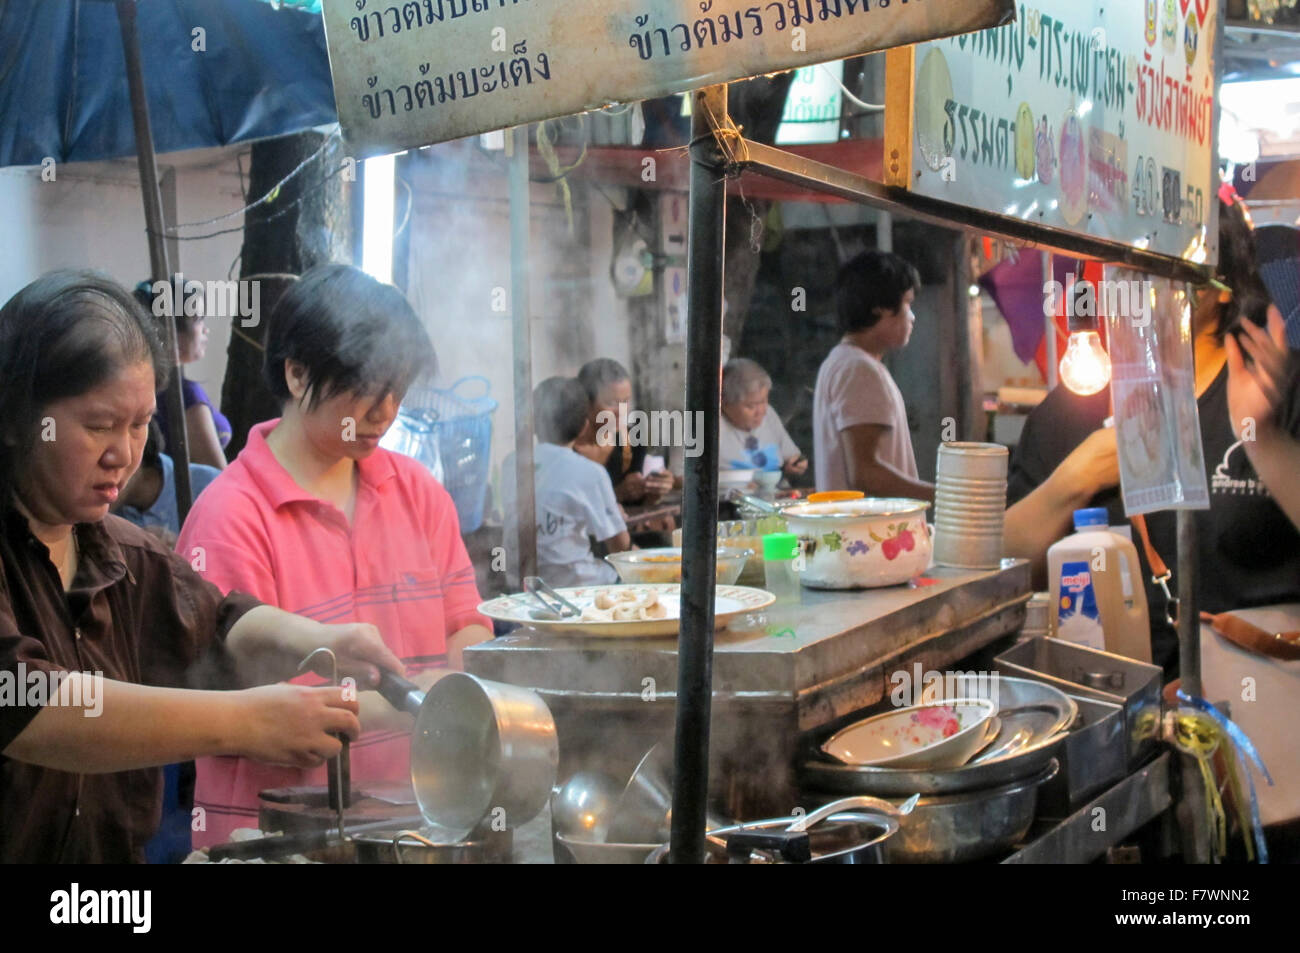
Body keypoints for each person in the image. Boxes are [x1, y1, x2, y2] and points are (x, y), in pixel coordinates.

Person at [0, 271, 403, 863]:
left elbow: (216, 622)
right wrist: (242, 721)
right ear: (14, 420)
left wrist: (318, 640)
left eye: (139, 425)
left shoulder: (122, 553)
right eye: (98, 426)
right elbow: (26, 702)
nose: (124, 454)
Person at [176, 265, 493, 848]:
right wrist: (429, 705)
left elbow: (467, 623)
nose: (387, 410)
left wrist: (437, 691)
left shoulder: (418, 491)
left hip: (417, 828)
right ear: (297, 374)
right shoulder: (230, 518)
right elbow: (265, 713)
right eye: (370, 387)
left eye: (399, 389)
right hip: (280, 842)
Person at [1004, 198, 1300, 676]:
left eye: (1165, 257)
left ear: (1220, 285)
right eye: (1126, 261)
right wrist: (1074, 480)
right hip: (1115, 708)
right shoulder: (1074, 408)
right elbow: (997, 569)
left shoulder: (1276, 387)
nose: (1142, 277)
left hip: (1267, 705)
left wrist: (1264, 440)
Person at [813, 250, 934, 501]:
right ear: (880, 309)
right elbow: (866, 474)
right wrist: (947, 497)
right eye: (907, 304)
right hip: (868, 537)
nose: (912, 316)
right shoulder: (858, 369)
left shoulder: (844, 362)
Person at [503, 377, 632, 587]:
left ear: (533, 423)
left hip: (520, 586)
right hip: (575, 588)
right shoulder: (590, 472)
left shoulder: (511, 464)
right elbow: (620, 547)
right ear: (584, 427)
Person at [135, 281, 231, 470]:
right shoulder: (185, 394)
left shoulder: (140, 386)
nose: (206, 329)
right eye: (197, 319)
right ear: (169, 331)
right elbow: (216, 477)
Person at [575, 358, 674, 505]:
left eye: (626, 401)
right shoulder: (569, 447)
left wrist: (654, 489)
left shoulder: (632, 437)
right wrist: (617, 494)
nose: (621, 411)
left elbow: (640, 506)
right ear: (586, 403)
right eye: (611, 403)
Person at [111, 420, 221, 546]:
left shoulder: (209, 487)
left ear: (139, 452)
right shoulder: (103, 509)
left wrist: (184, 554)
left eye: (113, 456)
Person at [719, 358, 809, 481]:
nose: (761, 411)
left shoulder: (769, 414)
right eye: (750, 406)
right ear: (724, 403)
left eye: (763, 401)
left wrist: (797, 464)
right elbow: (684, 478)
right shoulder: (704, 425)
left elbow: (792, 457)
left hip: (774, 495)